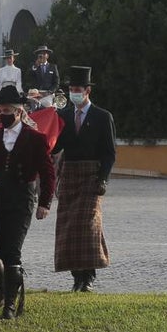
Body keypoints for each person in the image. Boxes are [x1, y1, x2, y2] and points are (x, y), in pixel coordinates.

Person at [0, 85, 56, 319]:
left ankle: (10, 304)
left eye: (8, 109)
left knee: (12, 252)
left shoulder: (35, 139)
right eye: (0, 110)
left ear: (19, 112)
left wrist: (45, 202)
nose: (3, 114)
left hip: (22, 201)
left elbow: (48, 173)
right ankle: (3, 287)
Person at [52, 65, 115, 293]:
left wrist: (103, 179)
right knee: (69, 228)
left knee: (88, 226)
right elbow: (56, 146)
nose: (73, 93)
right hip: (70, 174)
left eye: (77, 89)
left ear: (87, 90)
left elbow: (109, 153)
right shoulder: (63, 116)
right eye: (71, 89)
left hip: (91, 176)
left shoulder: (102, 117)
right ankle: (76, 276)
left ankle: (88, 277)